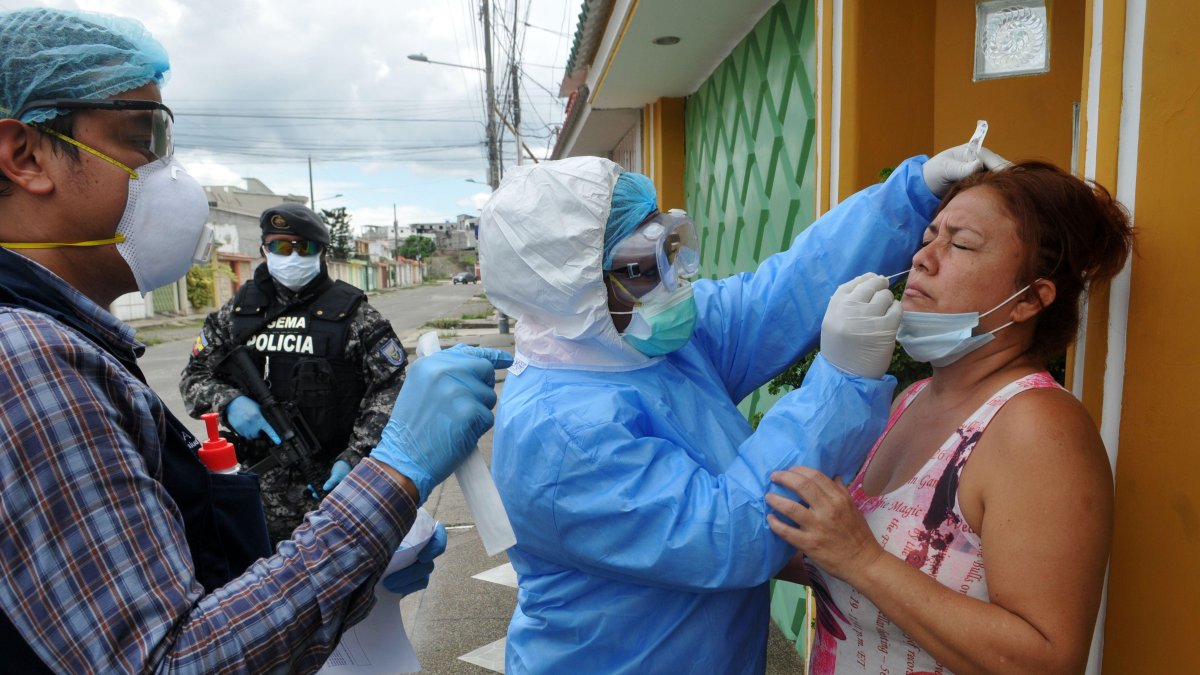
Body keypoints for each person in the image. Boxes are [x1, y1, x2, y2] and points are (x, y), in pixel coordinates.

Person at [0, 8, 510, 672]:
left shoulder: (348, 309)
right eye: (141, 136)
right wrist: (392, 478)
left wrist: (362, 516)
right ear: (25, 155)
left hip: (328, 501)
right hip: (287, 513)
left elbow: (168, 598)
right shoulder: (32, 359)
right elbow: (175, 656)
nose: (165, 173)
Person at [477, 143, 1003, 673]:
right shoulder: (562, 434)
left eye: (671, 245)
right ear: (573, 290)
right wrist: (839, 385)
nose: (673, 278)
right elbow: (728, 535)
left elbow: (785, 293)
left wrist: (910, 196)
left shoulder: (635, 338)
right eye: (643, 266)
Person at [767, 161, 1134, 673]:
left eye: (960, 245)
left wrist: (861, 558)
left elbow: (1046, 661)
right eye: (929, 237)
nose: (922, 258)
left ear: (1029, 299)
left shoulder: (1036, 427)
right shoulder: (910, 401)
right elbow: (853, 561)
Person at [181, 201, 407, 543]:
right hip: (258, 497)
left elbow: (393, 389)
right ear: (264, 250)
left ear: (322, 252)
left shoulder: (353, 315)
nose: (293, 256)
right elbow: (193, 377)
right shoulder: (238, 313)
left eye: (305, 247)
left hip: (336, 489)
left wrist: (355, 455)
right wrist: (229, 401)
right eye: (281, 247)